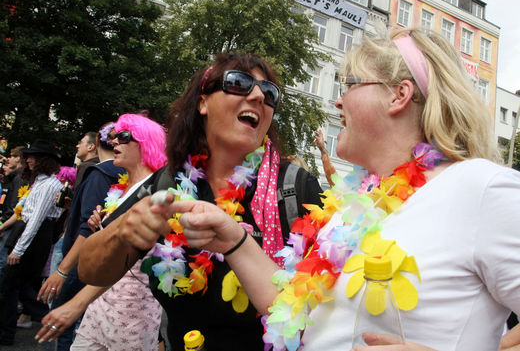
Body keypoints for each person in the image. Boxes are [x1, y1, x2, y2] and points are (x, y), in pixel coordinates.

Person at [107, 28, 520, 351]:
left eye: (349, 86)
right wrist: (233, 240)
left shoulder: (480, 188)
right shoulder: (358, 208)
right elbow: (296, 312)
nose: (337, 103)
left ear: (399, 95)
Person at [77, 52, 323, 351]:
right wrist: (122, 231)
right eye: (239, 83)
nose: (259, 95)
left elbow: (324, 309)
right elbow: (89, 270)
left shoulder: (295, 187)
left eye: (270, 93)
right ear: (202, 102)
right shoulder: (169, 183)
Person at [36, 114, 167, 351]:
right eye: (114, 137)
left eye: (123, 137)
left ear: (146, 143)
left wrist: (74, 302)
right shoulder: (121, 189)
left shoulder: (156, 189)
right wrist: (100, 228)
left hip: (131, 309)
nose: (114, 142)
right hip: (100, 304)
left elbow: (131, 252)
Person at [37, 122, 125, 351]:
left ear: (96, 143)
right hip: (102, 259)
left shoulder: (100, 172)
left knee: (61, 321)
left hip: (81, 257)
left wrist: (62, 270)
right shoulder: (124, 174)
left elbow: (88, 227)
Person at [0, 140, 63, 346]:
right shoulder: (39, 182)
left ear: (44, 160)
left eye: (33, 156)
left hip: (34, 236)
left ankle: (51, 319)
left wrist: (18, 249)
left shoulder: (50, 184)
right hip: (27, 232)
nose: (28, 159)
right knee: (17, 284)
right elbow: (23, 210)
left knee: (12, 284)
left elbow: (36, 219)